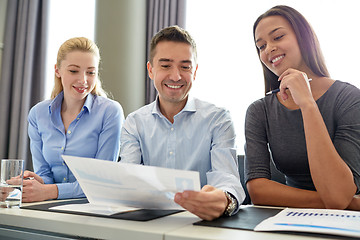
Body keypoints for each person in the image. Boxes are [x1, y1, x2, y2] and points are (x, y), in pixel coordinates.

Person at [120, 26, 245, 220]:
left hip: (201, 226)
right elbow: (128, 180)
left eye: (185, 67)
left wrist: (224, 200)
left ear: (194, 71)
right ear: (151, 70)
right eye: (166, 65)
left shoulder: (218, 119)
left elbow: (226, 179)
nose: (176, 76)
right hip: (148, 226)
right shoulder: (134, 123)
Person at [245, 5, 360, 210]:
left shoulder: (349, 98)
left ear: (304, 38)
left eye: (278, 37)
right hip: (293, 218)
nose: (269, 48)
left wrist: (307, 104)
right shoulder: (259, 111)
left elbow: (338, 192)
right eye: (261, 46)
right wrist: (348, 203)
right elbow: (258, 190)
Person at [24, 37, 124, 202]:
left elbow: (100, 182)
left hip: (93, 208)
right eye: (73, 71)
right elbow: (45, 176)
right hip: (50, 207)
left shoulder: (110, 112)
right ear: (57, 70)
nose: (83, 80)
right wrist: (32, 184)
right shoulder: (38, 114)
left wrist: (48, 191)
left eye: (90, 72)